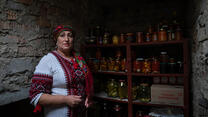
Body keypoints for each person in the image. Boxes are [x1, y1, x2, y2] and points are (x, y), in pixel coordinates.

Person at [29, 25, 93, 117]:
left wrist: (87, 97)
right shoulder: (48, 60)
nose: (66, 39)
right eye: (62, 35)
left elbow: (85, 84)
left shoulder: (79, 60)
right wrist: (65, 99)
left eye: (70, 36)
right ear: (56, 39)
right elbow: (36, 96)